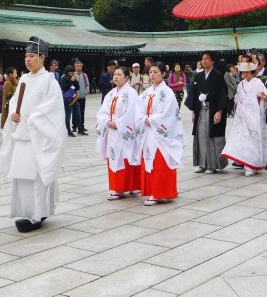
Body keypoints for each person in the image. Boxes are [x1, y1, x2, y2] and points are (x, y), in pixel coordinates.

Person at [0, 36, 66, 232]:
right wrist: (14, 114)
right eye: (26, 56)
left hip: (38, 138)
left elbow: (52, 109)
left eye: (32, 56)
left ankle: (37, 214)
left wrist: (33, 119)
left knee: (36, 177)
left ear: (42, 57)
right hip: (22, 135)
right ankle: (25, 211)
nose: (27, 60)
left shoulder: (49, 81)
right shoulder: (25, 79)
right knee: (21, 175)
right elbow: (15, 102)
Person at [136, 62, 184, 205]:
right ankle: (152, 190)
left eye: (156, 72)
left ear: (163, 74)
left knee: (160, 162)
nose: (152, 74)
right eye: (150, 72)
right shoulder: (147, 92)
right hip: (149, 131)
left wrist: (153, 120)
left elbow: (170, 113)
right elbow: (137, 108)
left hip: (161, 133)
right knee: (150, 160)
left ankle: (159, 193)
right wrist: (143, 118)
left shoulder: (167, 92)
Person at [96, 66, 140, 200]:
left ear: (127, 77)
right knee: (115, 157)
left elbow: (132, 112)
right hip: (112, 131)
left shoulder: (131, 93)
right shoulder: (111, 93)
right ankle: (118, 187)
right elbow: (103, 111)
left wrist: (118, 123)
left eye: (119, 74)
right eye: (114, 74)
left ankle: (126, 187)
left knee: (126, 158)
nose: (115, 77)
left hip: (123, 130)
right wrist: (106, 120)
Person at [222, 62, 267, 176]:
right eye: (243, 72)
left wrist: (263, 97)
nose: (245, 74)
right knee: (244, 139)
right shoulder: (240, 84)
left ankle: (252, 165)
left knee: (253, 139)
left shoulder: (258, 82)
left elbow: (265, 95)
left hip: (254, 115)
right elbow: (237, 98)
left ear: (252, 72)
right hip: (243, 116)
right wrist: (238, 102)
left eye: (247, 72)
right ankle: (246, 163)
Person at [190, 51, 228, 174]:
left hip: (213, 110)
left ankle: (212, 165)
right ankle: (202, 163)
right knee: (200, 135)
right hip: (201, 110)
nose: (204, 61)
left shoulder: (218, 76)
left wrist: (219, 111)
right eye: (203, 59)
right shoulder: (198, 76)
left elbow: (223, 95)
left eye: (207, 59)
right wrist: (193, 112)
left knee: (211, 136)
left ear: (212, 61)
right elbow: (193, 94)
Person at [60, 65, 81, 136]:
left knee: (78, 114)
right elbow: (64, 88)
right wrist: (71, 81)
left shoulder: (73, 77)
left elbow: (77, 88)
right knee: (68, 115)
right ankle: (68, 131)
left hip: (74, 98)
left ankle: (80, 129)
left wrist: (76, 80)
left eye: (72, 71)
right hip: (67, 99)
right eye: (70, 71)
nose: (71, 73)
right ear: (67, 71)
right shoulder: (64, 78)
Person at [73, 59, 90, 135]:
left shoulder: (84, 75)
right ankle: (74, 126)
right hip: (75, 96)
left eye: (80, 66)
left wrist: (87, 91)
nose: (79, 67)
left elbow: (87, 84)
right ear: (75, 67)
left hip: (82, 96)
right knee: (74, 112)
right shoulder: (73, 74)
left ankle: (82, 126)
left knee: (82, 112)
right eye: (77, 66)